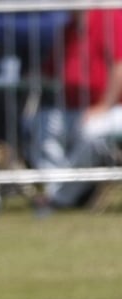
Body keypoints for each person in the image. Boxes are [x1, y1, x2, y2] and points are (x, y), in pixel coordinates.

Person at [31, 9, 122, 214]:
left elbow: (120, 68)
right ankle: (60, 190)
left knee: (91, 131)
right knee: (43, 122)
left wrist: (103, 106)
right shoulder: (69, 28)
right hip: (77, 108)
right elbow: (50, 71)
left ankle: (59, 197)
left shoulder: (111, 18)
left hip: (113, 107)